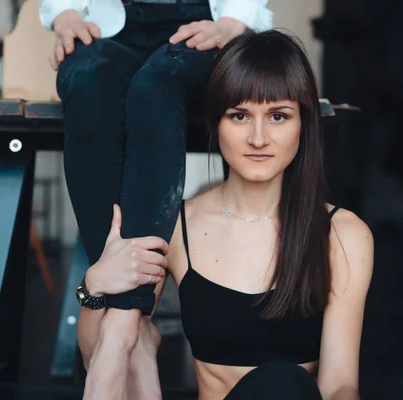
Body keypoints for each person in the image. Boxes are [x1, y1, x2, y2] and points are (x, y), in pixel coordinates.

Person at [89, 30, 374, 399]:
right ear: (216, 123)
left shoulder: (342, 234)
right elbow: (101, 352)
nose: (258, 138)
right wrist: (93, 287)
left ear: (303, 124)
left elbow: (339, 384)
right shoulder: (177, 226)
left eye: (278, 116)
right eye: (240, 115)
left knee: (283, 384)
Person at [38, 0, 273, 398]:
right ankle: (135, 329)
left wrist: (233, 25)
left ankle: (121, 324)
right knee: (87, 81)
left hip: (200, 26)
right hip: (110, 26)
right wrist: (65, 17)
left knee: (155, 87)